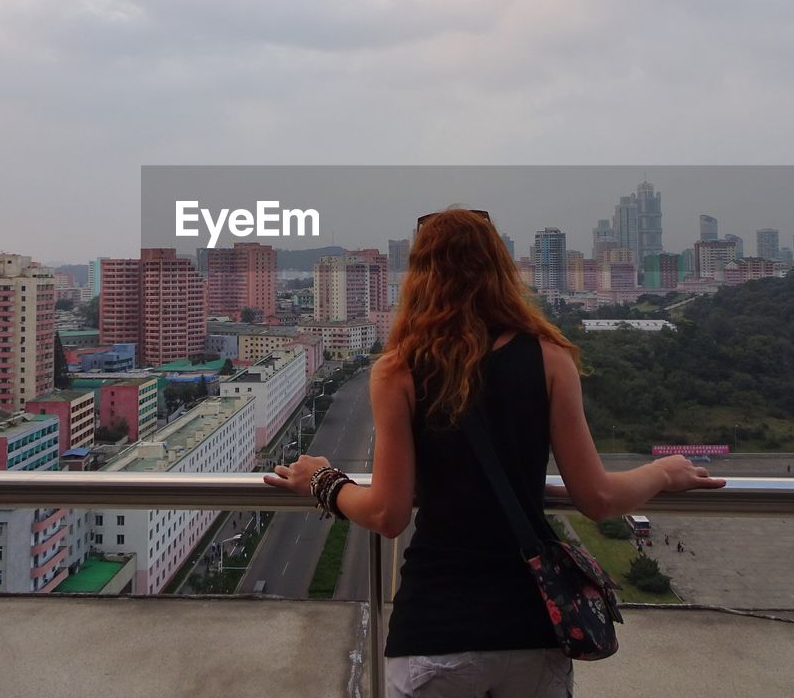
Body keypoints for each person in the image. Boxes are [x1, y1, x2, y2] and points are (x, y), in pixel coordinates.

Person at [264, 208, 725, 697]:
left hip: (436, 627)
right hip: (530, 627)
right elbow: (598, 499)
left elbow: (387, 513)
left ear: (420, 275)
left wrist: (320, 480)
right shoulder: (550, 357)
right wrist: (665, 472)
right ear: (500, 269)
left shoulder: (398, 370)